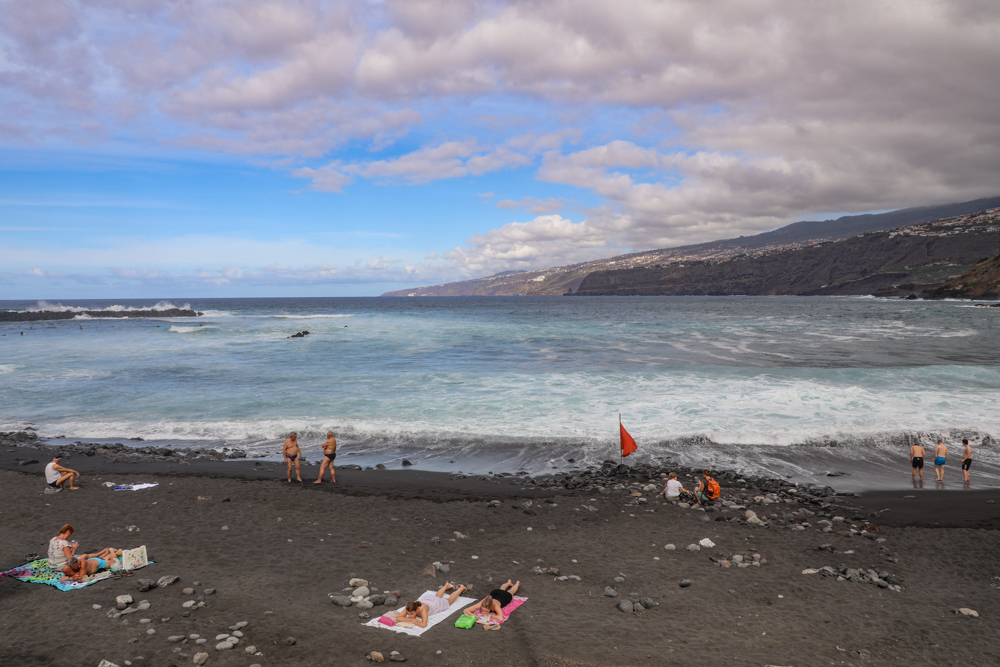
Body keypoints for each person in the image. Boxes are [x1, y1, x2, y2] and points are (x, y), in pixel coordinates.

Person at [398, 583, 469, 628]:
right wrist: (412, 619)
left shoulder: (423, 610)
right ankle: (446, 586)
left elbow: (424, 625)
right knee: (437, 596)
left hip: (436, 604)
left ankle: (461, 588)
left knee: (449, 600)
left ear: (416, 610)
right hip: (428, 599)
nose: (409, 615)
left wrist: (412, 621)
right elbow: (398, 618)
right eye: (408, 614)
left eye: (412, 614)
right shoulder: (410, 607)